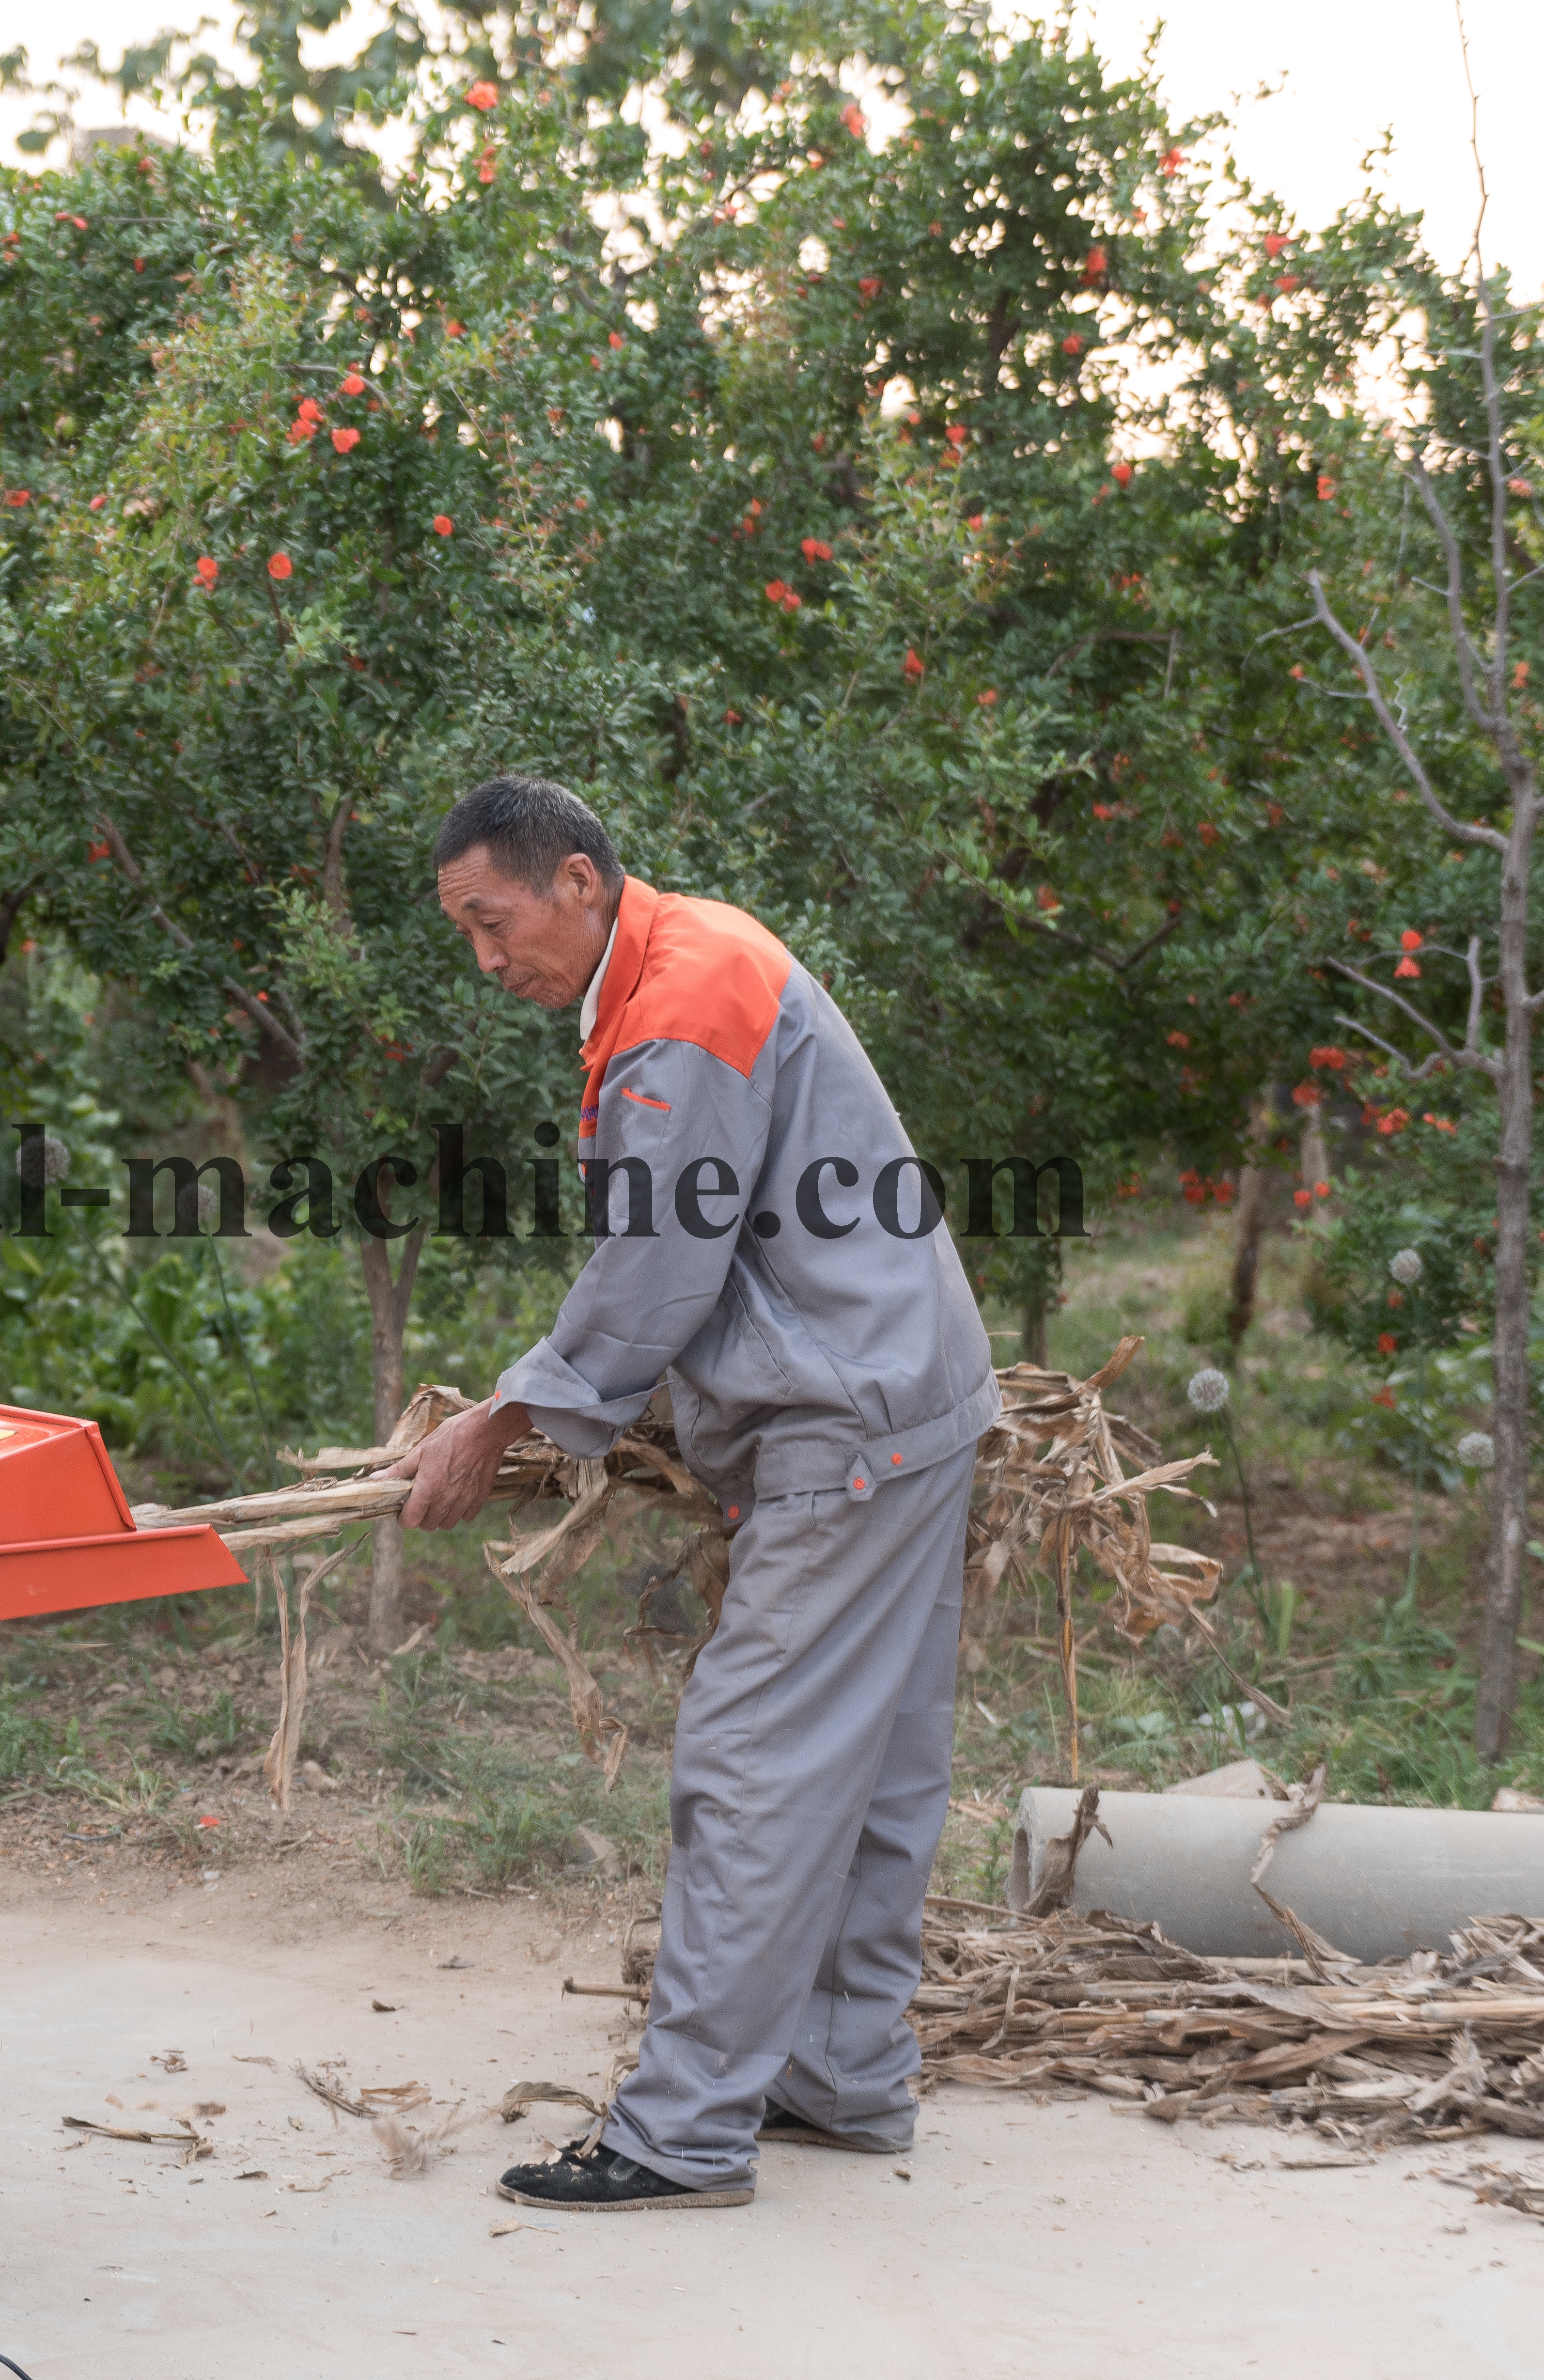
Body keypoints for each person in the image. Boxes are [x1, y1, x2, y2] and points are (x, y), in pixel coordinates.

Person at [389, 773, 998, 2213]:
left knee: (753, 1763)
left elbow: (661, 1263)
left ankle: (680, 2135)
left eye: (493, 922)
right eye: (464, 934)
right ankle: (841, 2078)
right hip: (911, 1392)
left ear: (579, 882)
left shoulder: (678, 1006)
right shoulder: (688, 959)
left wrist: (507, 1415)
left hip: (850, 1421)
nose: (487, 960)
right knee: (879, 1761)